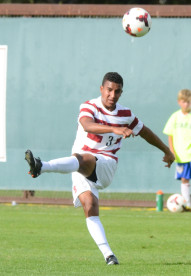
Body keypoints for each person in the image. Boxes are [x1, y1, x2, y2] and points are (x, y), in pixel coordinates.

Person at [25, 72, 175, 265]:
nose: (112, 95)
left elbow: (146, 133)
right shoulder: (89, 106)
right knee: (90, 206)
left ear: (121, 93)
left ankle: (41, 166)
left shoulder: (125, 114)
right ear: (101, 89)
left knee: (82, 158)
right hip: (78, 167)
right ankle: (109, 255)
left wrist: (167, 151)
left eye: (117, 91)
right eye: (109, 90)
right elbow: (87, 125)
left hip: (105, 165)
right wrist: (114, 129)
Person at [163, 89, 191, 209]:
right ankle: (187, 204)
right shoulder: (175, 117)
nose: (187, 104)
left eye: (189, 102)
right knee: (184, 179)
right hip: (181, 155)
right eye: (184, 102)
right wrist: (171, 151)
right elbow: (170, 135)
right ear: (179, 102)